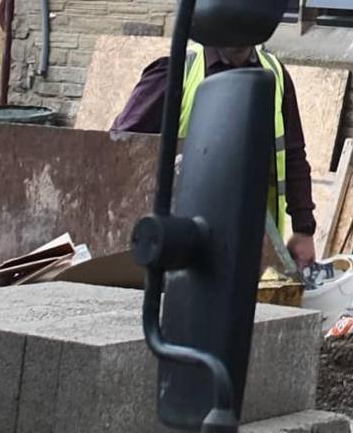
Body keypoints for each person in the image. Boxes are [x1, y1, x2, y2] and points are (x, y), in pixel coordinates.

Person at [109, 44, 319, 269]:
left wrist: (304, 229)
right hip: (183, 242)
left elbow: (293, 156)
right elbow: (121, 150)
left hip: (253, 245)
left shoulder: (275, 74)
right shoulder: (176, 72)